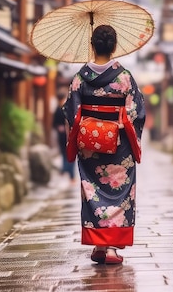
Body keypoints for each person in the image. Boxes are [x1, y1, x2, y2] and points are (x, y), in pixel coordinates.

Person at [62, 25, 146, 265]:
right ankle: (111, 249)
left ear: (92, 45)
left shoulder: (80, 78)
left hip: (89, 145)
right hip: (118, 144)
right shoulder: (124, 77)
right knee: (118, 193)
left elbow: (71, 111)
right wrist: (118, 124)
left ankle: (99, 245)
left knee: (93, 191)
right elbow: (136, 111)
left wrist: (89, 124)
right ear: (114, 46)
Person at [52, 87, 76, 183]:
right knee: (66, 153)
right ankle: (68, 173)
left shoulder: (65, 108)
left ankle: (68, 173)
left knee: (68, 154)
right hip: (64, 135)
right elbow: (54, 123)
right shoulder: (61, 109)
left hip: (68, 134)